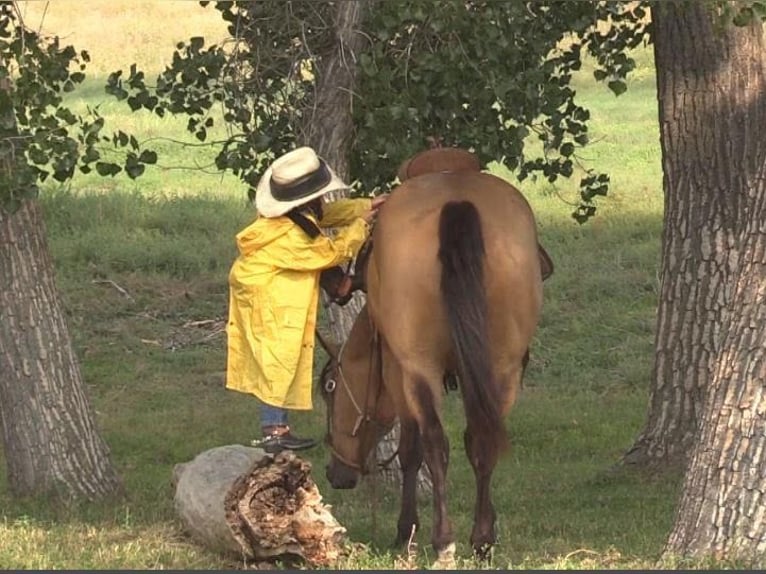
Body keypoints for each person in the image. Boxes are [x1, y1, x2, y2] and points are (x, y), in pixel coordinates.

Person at [225, 146, 386, 454]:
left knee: (278, 359)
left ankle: (277, 428)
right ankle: (274, 431)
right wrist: (362, 225)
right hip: (269, 298)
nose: (322, 199)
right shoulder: (288, 235)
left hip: (270, 290)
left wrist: (367, 206)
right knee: (277, 360)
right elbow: (329, 253)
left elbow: (327, 216)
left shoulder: (296, 216)